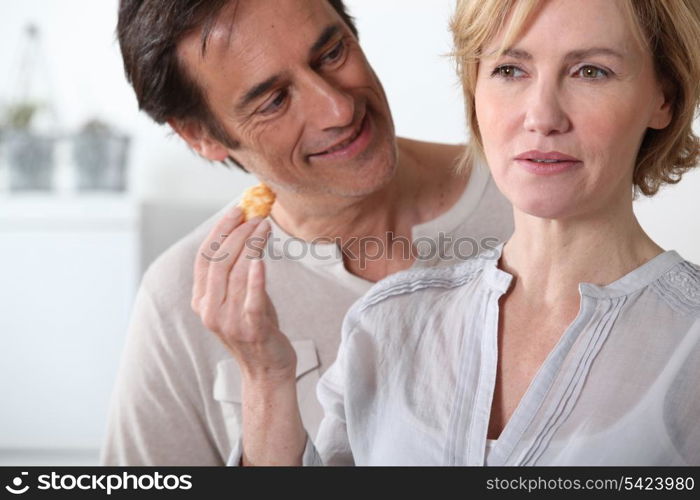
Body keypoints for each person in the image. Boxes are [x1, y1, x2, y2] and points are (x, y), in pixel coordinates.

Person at [222, 0, 700, 466]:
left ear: (665, 98)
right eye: (510, 70)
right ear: (474, 88)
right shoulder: (386, 323)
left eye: (591, 71)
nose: (542, 117)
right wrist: (267, 378)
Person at [100, 0, 514, 465]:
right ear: (202, 136)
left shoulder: (534, 197)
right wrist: (264, 386)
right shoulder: (181, 298)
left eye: (332, 54)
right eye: (274, 101)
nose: (337, 109)